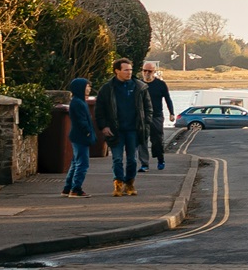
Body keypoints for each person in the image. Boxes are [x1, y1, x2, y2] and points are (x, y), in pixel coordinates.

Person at [94, 58, 142, 196]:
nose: (129, 73)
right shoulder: (107, 89)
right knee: (117, 159)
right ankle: (118, 184)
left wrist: (145, 125)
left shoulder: (138, 87)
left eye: (131, 70)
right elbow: (99, 110)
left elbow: (147, 108)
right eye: (126, 70)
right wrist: (103, 126)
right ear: (117, 71)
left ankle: (130, 184)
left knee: (132, 159)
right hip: (115, 130)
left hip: (133, 129)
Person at [137, 62, 176, 175]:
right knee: (142, 140)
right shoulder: (138, 85)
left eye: (149, 71)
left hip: (156, 116)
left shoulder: (160, 84)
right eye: (145, 71)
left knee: (157, 140)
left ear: (154, 72)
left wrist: (172, 113)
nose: (147, 73)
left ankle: (160, 159)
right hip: (142, 116)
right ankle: (144, 164)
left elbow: (168, 99)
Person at [61, 76, 95, 198]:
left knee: (76, 163)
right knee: (82, 163)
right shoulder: (79, 103)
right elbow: (82, 121)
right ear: (81, 88)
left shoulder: (77, 101)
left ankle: (68, 188)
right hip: (81, 136)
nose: (89, 89)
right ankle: (76, 189)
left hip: (77, 136)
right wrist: (87, 132)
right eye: (87, 86)